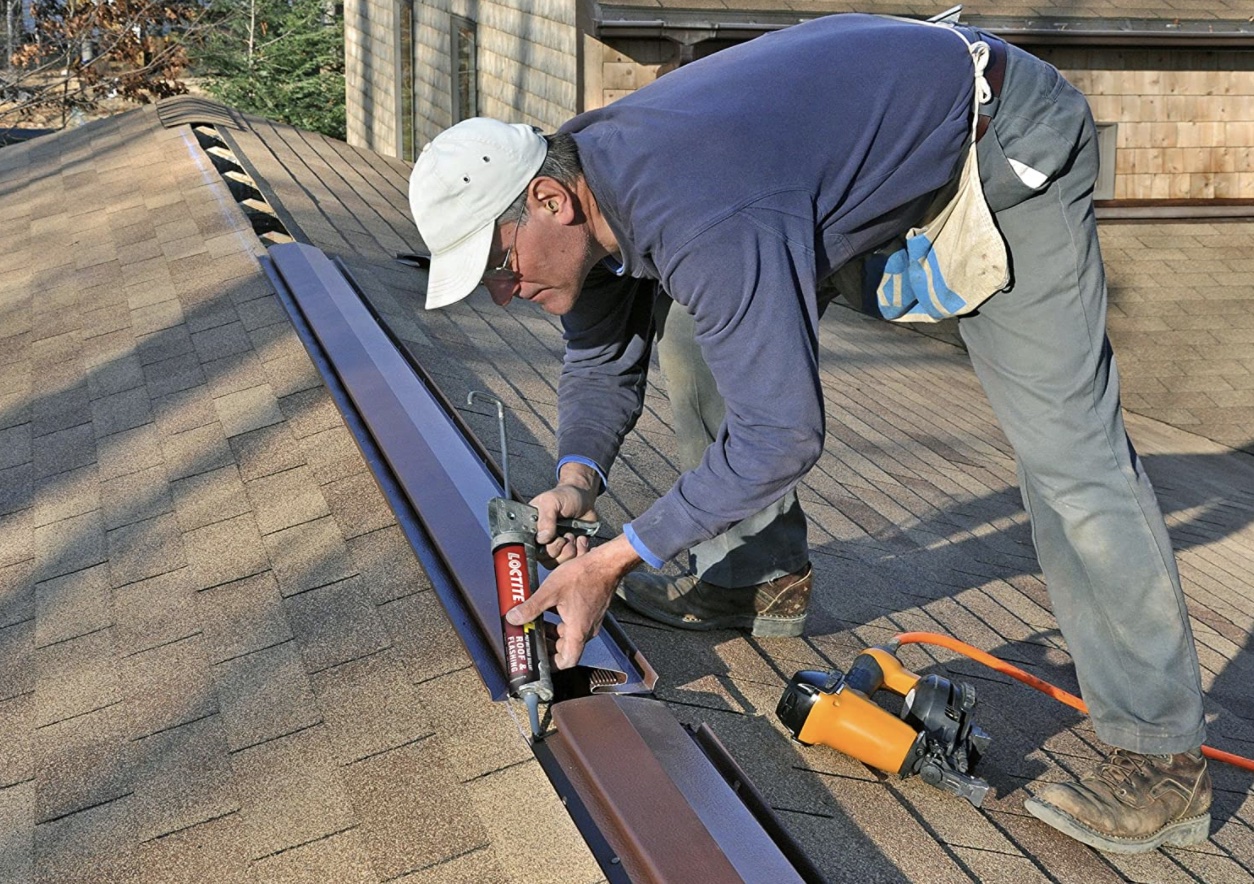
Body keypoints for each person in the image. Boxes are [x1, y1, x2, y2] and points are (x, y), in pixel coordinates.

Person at [407, 13, 1210, 856]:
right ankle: (757, 580)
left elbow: (782, 435)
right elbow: (603, 360)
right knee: (696, 335)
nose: (504, 292)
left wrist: (615, 558)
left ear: (548, 200)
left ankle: (1161, 760)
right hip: (837, 164)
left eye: (499, 265)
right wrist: (574, 485)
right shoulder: (587, 183)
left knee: (1069, 458)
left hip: (996, 140)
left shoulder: (701, 206)